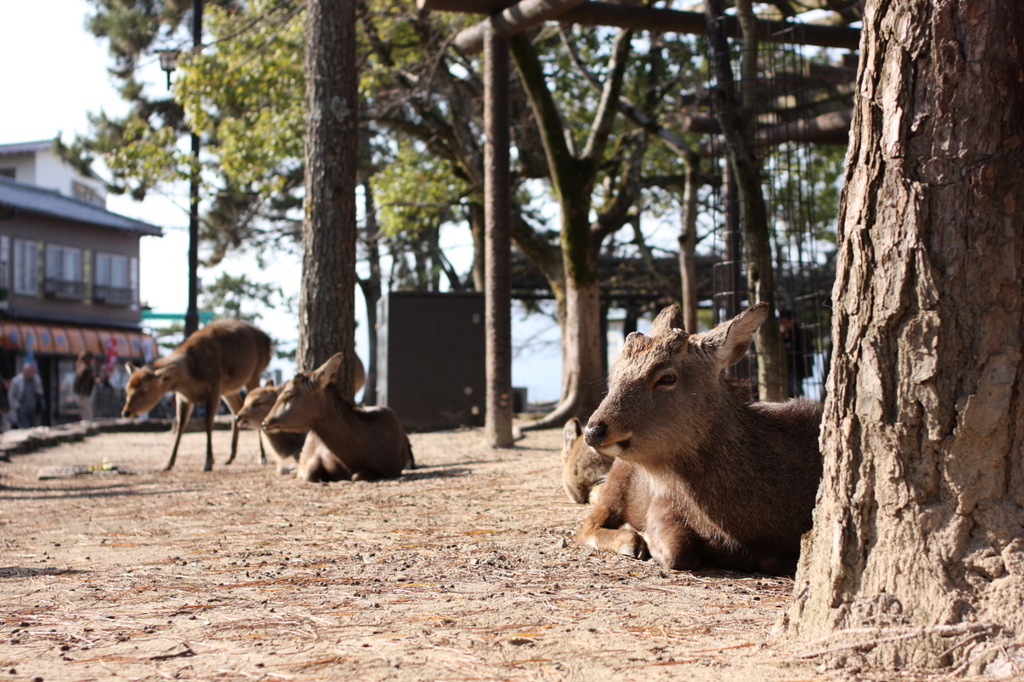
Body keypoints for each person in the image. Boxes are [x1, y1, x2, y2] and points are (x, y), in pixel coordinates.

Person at [778, 310, 810, 398]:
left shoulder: (800, 333)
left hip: (797, 366)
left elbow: (805, 349)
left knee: (794, 389)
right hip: (783, 367)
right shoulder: (780, 334)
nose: (784, 324)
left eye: (786, 322)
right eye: (782, 322)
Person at [9, 362, 44, 429]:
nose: (28, 373)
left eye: (30, 371)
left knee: (34, 427)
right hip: (22, 408)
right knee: (24, 427)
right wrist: (17, 406)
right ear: (23, 371)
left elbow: (41, 391)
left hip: (34, 410)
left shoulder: (36, 380)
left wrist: (39, 392)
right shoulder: (16, 381)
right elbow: (11, 395)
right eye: (27, 371)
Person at [74, 351, 97, 421]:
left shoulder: (81, 367)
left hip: (82, 393)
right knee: (87, 415)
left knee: (85, 413)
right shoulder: (85, 368)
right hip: (84, 394)